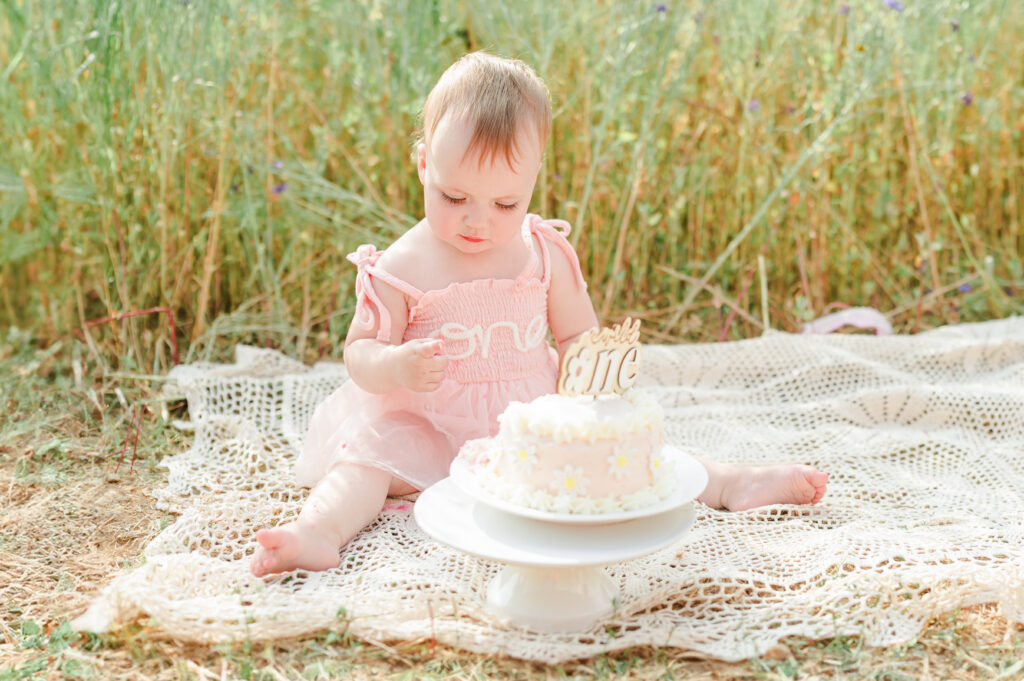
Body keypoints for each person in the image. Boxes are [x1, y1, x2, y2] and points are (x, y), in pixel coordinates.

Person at [250, 52, 827, 577]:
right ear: (425, 164)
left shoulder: (542, 251)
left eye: (505, 203)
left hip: (530, 422)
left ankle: (728, 482)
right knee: (366, 463)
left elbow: (578, 333)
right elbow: (360, 354)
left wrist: (590, 387)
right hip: (427, 427)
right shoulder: (400, 266)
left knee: (620, 451)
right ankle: (316, 532)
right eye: (455, 198)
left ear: (532, 182)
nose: (478, 221)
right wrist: (396, 365)